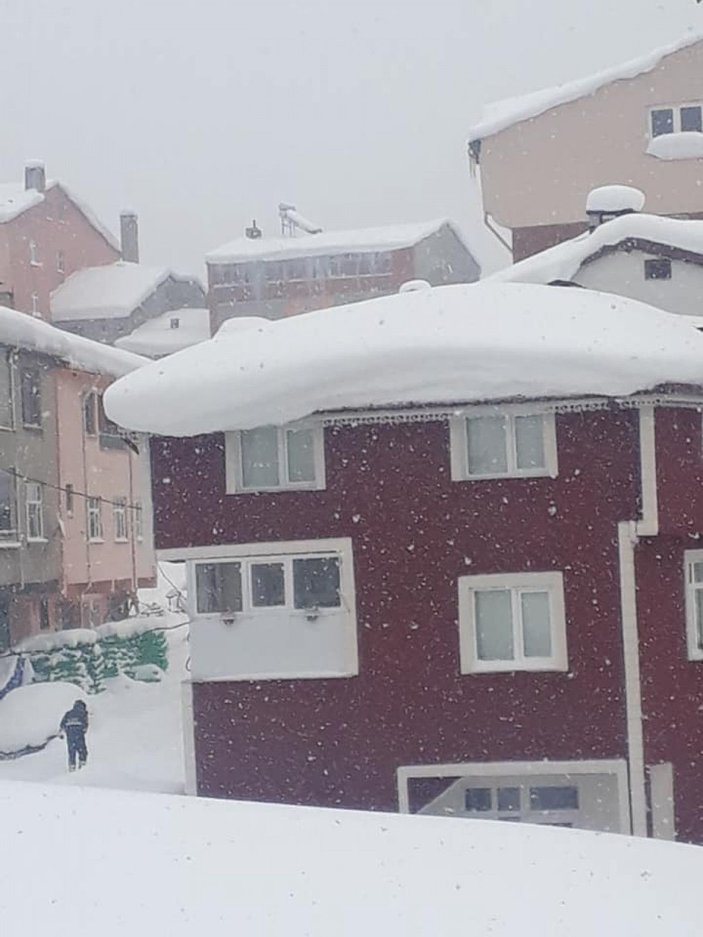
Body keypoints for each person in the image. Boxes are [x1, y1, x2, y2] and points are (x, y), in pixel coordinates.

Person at [60, 699, 89, 771]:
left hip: (70, 735)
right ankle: (82, 765)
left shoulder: (68, 713)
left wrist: (67, 730)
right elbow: (85, 725)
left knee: (71, 751)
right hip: (79, 734)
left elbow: (62, 725)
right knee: (82, 750)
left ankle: (72, 766)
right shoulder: (83, 713)